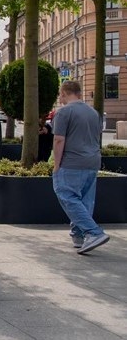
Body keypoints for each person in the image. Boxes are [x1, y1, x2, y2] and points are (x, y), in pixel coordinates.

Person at [52, 80, 109, 254]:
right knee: (85, 200)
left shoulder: (64, 113)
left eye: (60, 95)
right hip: (92, 161)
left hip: (72, 162)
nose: (60, 99)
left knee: (66, 195)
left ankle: (93, 232)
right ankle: (78, 236)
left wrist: (56, 165)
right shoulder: (93, 113)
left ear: (64, 93)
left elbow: (59, 140)